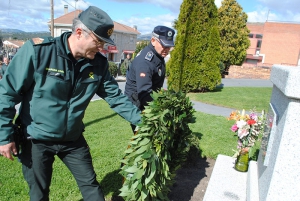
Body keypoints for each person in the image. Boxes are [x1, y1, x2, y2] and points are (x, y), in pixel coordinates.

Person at [0, 6, 141, 201]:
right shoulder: (39, 52)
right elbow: (7, 93)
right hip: (36, 139)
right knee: (39, 194)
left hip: (73, 140)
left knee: (92, 188)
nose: (102, 48)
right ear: (79, 33)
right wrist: (4, 135)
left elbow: (116, 98)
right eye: (98, 41)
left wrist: (144, 122)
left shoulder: (98, 64)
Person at [124, 25, 175, 132]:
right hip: (138, 106)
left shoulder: (157, 55)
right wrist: (161, 110)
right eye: (164, 45)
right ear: (153, 40)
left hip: (147, 102)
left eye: (169, 46)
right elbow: (144, 94)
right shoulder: (145, 62)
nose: (167, 49)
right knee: (144, 139)